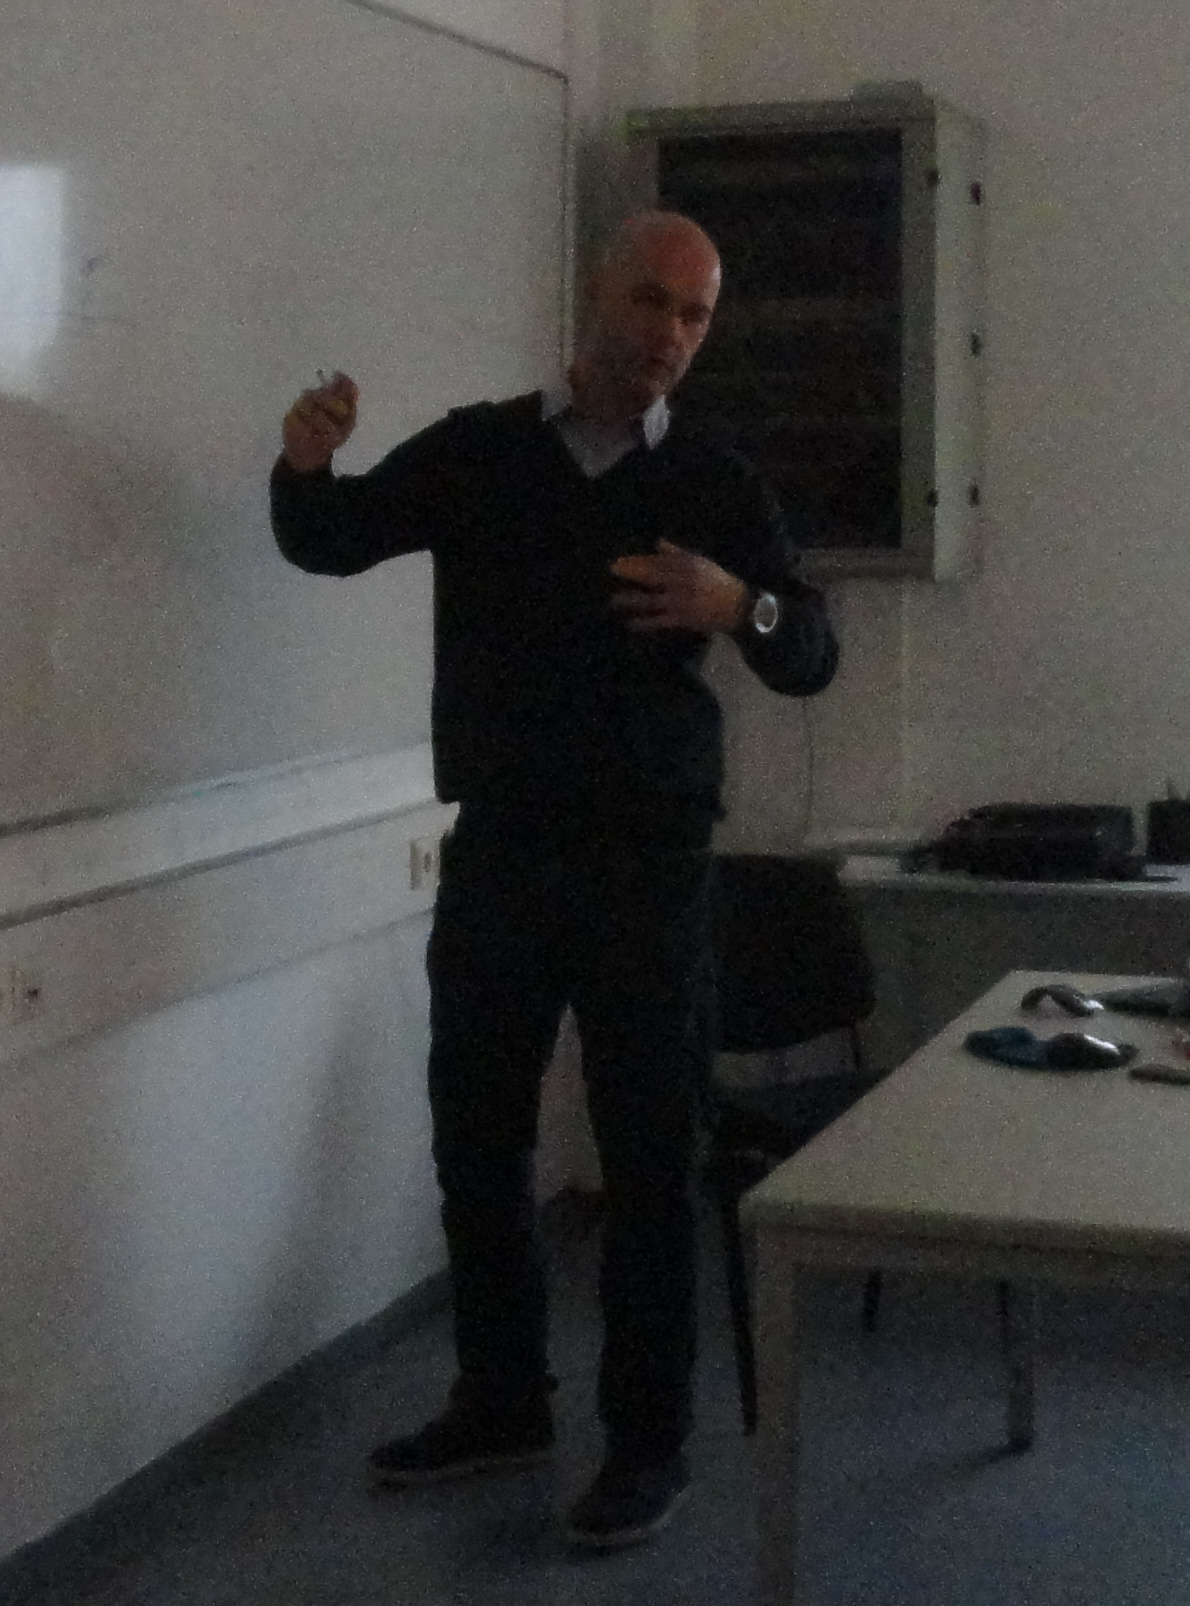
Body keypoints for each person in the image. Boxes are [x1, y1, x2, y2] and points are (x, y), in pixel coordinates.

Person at [269, 210, 839, 1550]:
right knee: (475, 1133)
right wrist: (304, 464)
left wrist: (738, 606)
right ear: (597, 294)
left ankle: (648, 1444)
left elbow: (808, 648)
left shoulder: (711, 477)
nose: (670, 335)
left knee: (649, 1157)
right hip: (504, 849)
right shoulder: (480, 452)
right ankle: (502, 1398)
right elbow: (334, 537)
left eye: (695, 316)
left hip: (650, 863)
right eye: (652, 302)